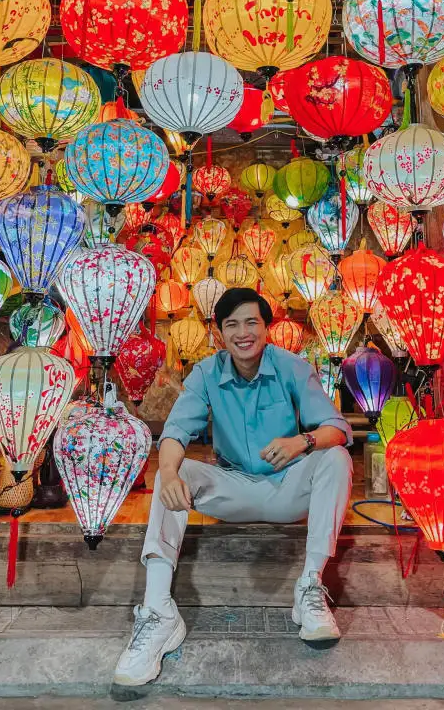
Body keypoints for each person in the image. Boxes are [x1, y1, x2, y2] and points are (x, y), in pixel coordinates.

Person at [114, 288, 354, 687]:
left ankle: (310, 586)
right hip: (234, 488)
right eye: (232, 325)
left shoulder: (292, 367)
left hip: (286, 489)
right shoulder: (206, 373)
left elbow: (337, 429)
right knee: (173, 474)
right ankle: (158, 611)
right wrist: (169, 472)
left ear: (266, 328)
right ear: (219, 334)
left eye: (251, 322)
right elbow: (175, 431)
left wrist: (302, 441)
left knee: (336, 457)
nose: (243, 333)